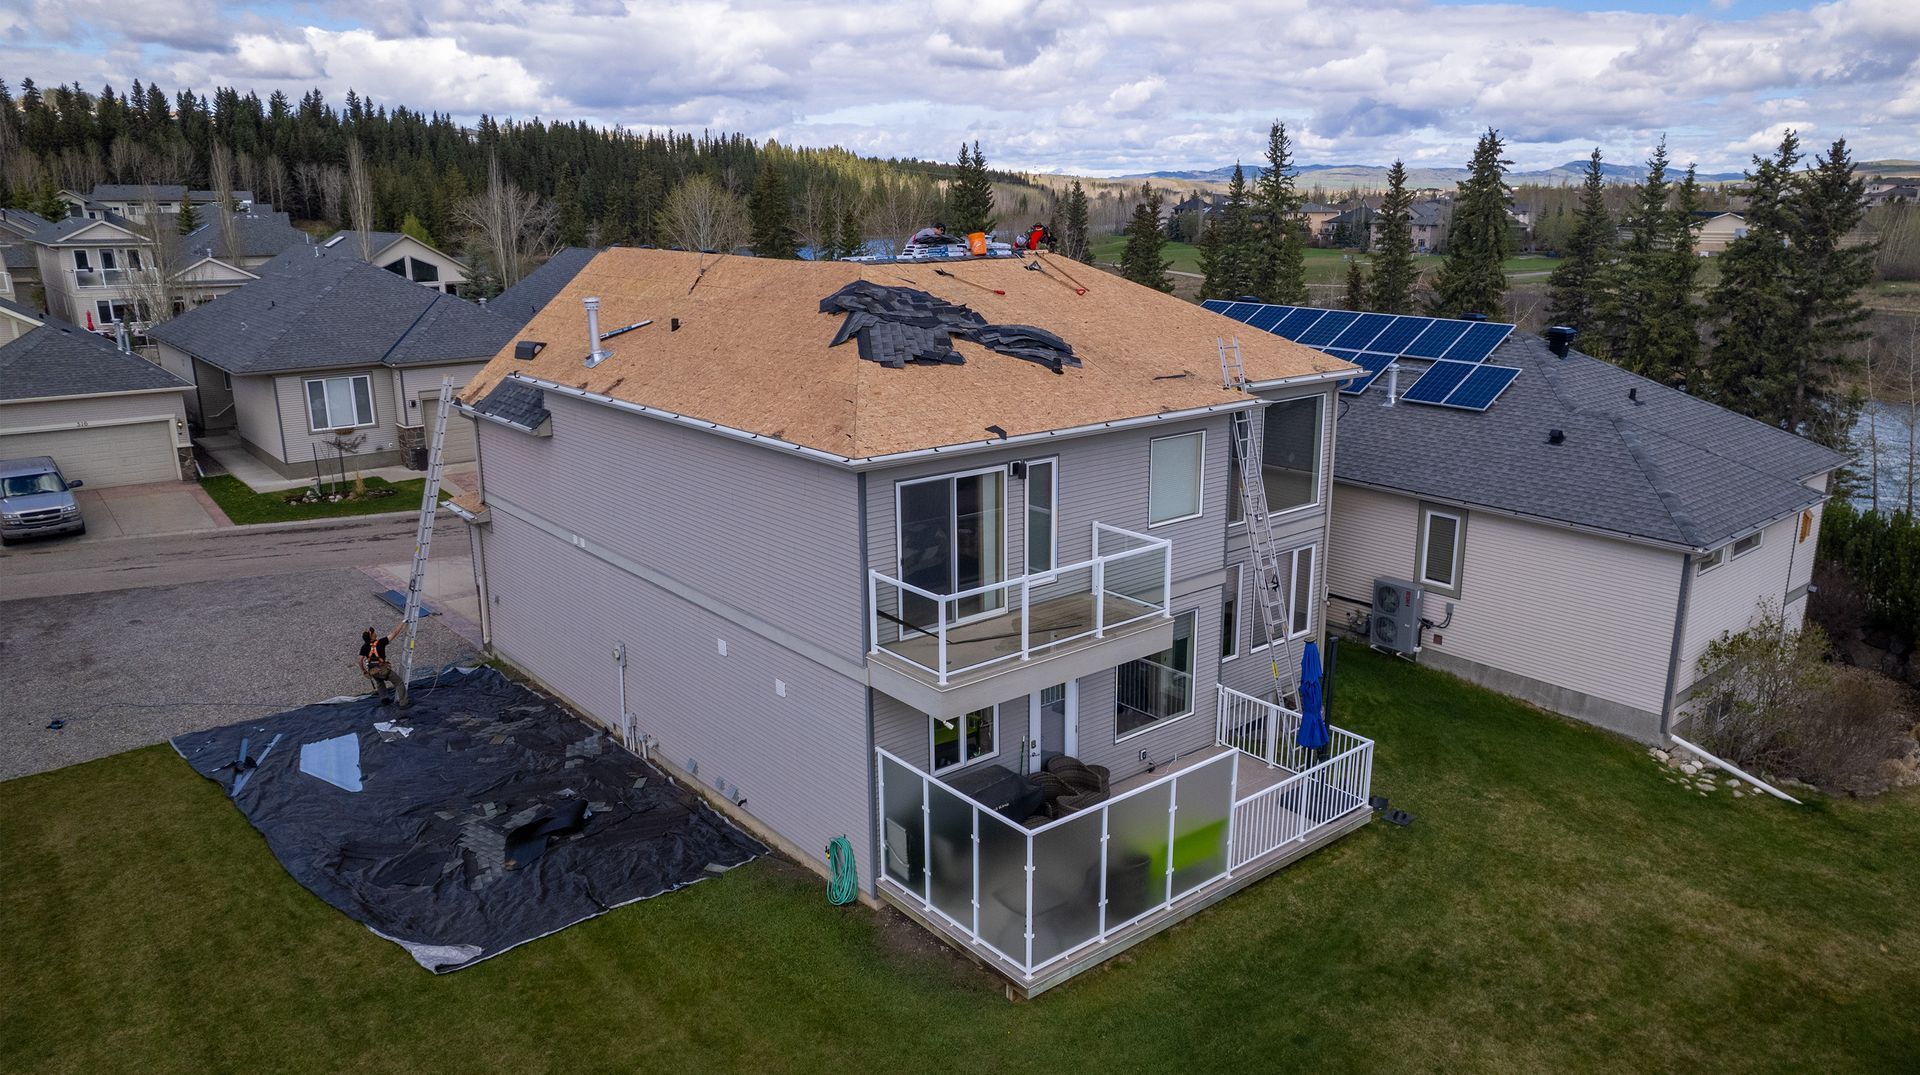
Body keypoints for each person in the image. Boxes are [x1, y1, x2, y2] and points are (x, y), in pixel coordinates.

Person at [359, 620, 405, 705]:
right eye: (373, 633)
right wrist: (403, 623)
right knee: (399, 683)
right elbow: (394, 633)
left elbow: (360, 660)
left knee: (380, 682)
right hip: (383, 669)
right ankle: (403, 703)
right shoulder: (381, 642)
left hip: (372, 670)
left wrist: (364, 671)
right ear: (372, 637)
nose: (375, 633)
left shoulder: (364, 647)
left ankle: (384, 700)